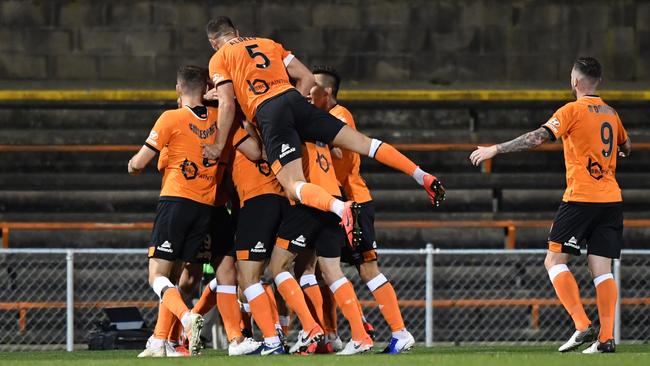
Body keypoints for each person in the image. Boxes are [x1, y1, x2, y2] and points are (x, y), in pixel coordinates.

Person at [202, 16, 445, 247]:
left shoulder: (220, 57)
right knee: (365, 143)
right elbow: (307, 77)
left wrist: (217, 145)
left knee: (292, 184)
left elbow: (227, 104)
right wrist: (293, 106)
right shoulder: (268, 43)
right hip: (294, 100)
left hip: (270, 112)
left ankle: (342, 209)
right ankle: (420, 174)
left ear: (214, 43)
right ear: (236, 32)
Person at [470, 57, 631, 354]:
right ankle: (606, 338)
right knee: (602, 270)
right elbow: (626, 145)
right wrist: (616, 153)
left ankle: (582, 325)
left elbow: (537, 138)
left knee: (554, 261)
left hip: (581, 197)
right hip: (611, 199)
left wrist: (496, 148)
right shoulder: (611, 113)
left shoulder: (572, 110)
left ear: (575, 82)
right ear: (599, 81)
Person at [310, 68, 415, 354]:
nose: (309, 92)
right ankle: (337, 332)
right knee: (324, 270)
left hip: (352, 202)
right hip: (333, 203)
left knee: (367, 270)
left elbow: (341, 157)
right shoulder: (318, 118)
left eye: (314, 87)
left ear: (327, 92)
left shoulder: (340, 117)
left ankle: (399, 332)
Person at [128, 65, 219, 356]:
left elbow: (140, 163)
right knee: (175, 275)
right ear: (206, 89)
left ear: (179, 89)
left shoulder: (171, 117)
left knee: (156, 275)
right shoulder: (219, 117)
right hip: (205, 206)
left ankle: (186, 317)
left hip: (176, 201)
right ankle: (159, 340)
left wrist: (131, 165)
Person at [267, 129, 373, 356]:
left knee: (277, 266)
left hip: (309, 201)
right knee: (327, 271)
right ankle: (358, 334)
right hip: (334, 198)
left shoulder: (288, 125)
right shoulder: (317, 125)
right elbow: (337, 152)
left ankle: (310, 327)